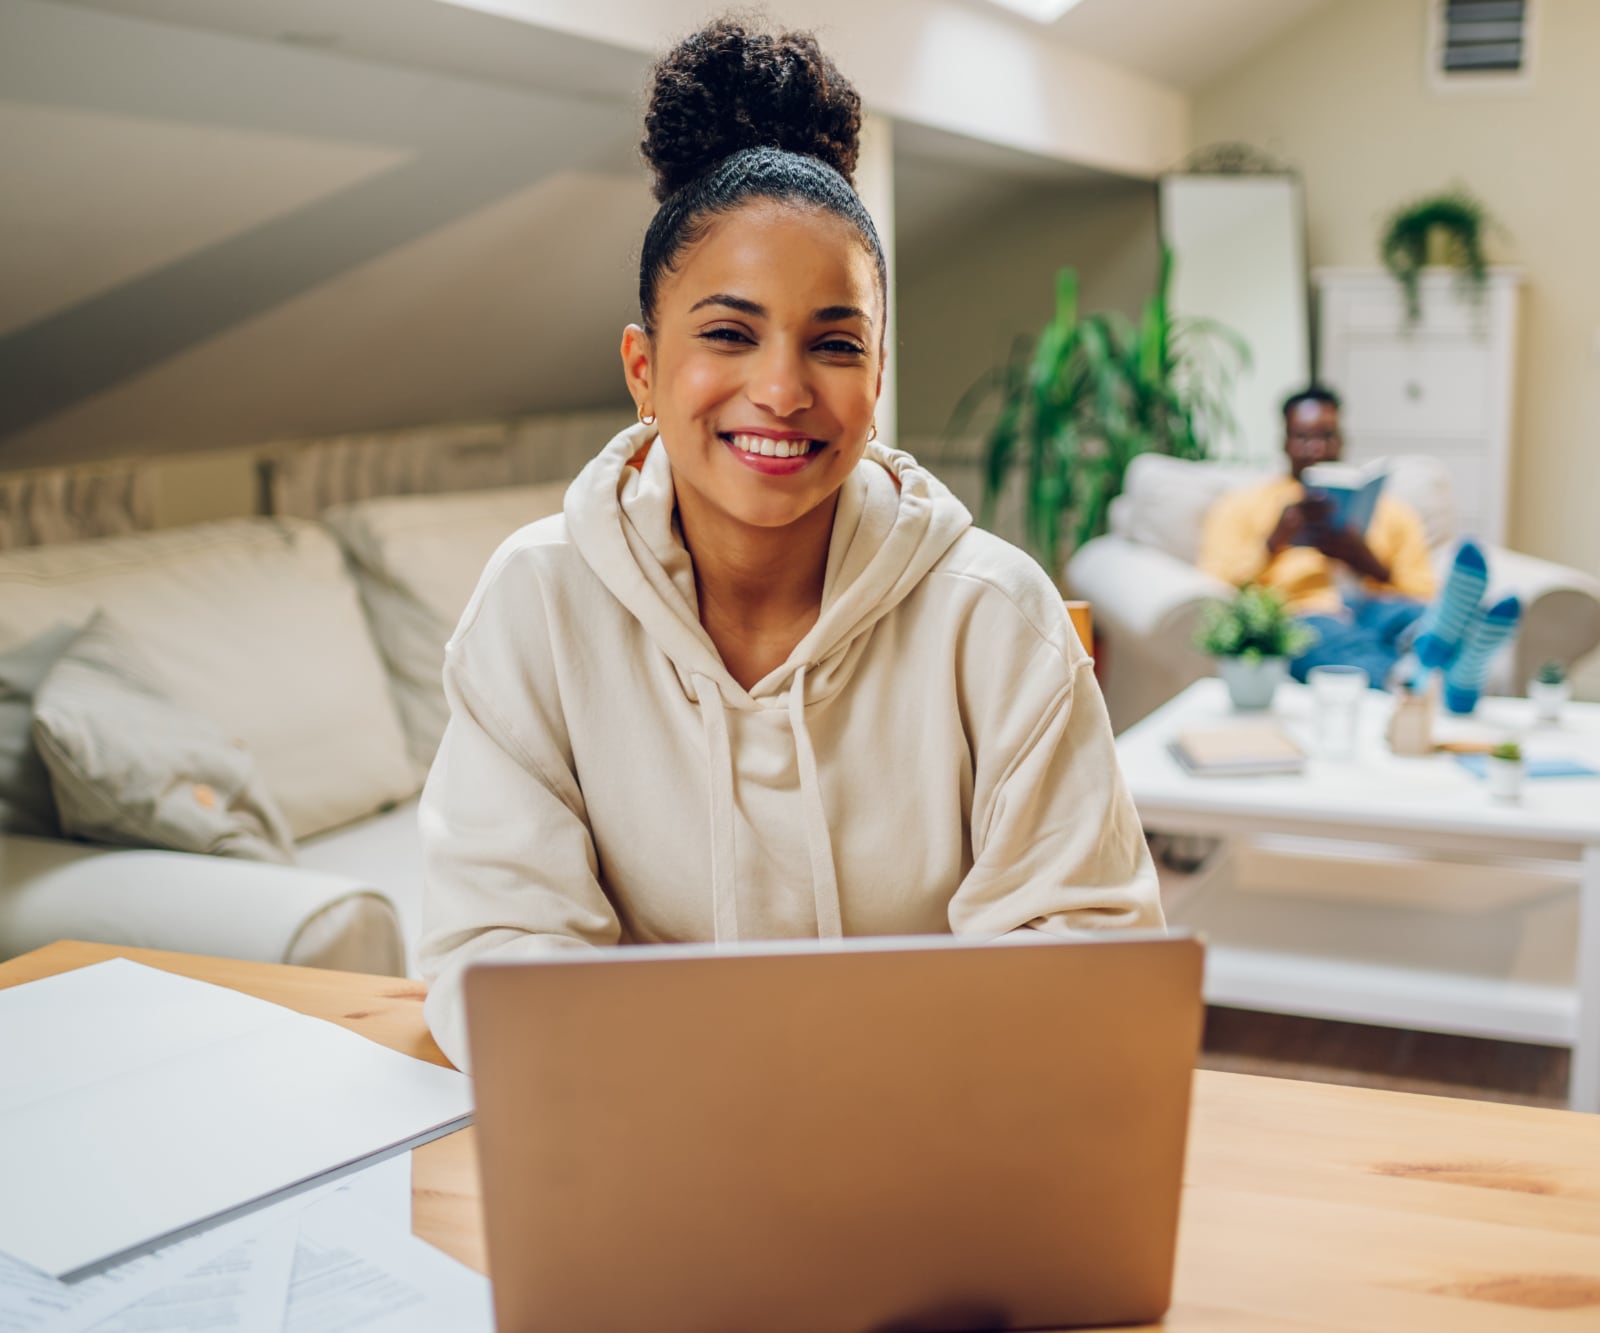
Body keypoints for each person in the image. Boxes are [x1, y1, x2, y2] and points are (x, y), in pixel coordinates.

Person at [415, 18, 1162, 1071]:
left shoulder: (993, 615)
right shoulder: (536, 602)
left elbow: (1084, 959)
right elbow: (495, 945)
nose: (780, 388)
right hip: (635, 1147)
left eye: (833, 343)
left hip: (927, 1153)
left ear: (878, 371)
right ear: (643, 365)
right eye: (727, 333)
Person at [1197, 385, 1439, 688]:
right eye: (1303, 437)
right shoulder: (1243, 506)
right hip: (1304, 614)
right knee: (1318, 638)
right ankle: (1414, 681)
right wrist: (1273, 542)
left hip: (1375, 609)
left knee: (1422, 617)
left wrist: (1363, 559)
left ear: (1341, 440)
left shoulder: (1388, 510)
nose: (1316, 449)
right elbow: (1215, 583)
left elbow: (1422, 590)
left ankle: (1433, 653)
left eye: (1326, 436)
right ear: (1284, 443)